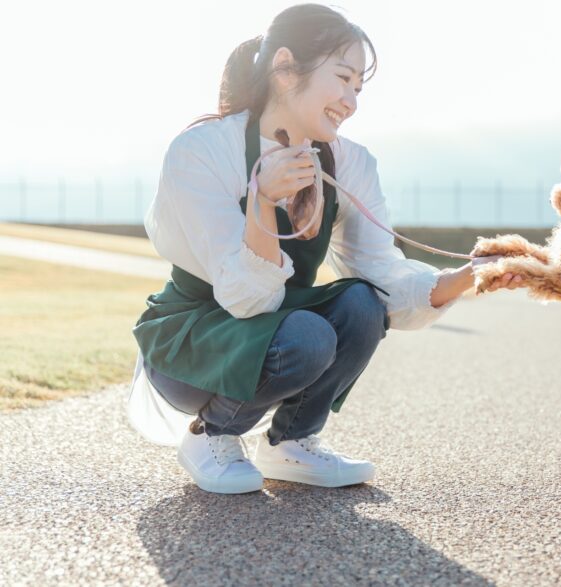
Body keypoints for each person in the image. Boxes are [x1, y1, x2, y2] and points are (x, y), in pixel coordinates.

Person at [128, 3, 523, 494]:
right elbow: (246, 299)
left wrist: (471, 275)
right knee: (308, 335)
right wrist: (262, 200)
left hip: (279, 327)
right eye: (343, 78)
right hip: (192, 343)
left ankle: (290, 442)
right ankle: (212, 434)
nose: (351, 101)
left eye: (359, 87)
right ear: (286, 68)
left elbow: (384, 276)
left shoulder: (351, 163)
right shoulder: (202, 151)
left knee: (359, 303)